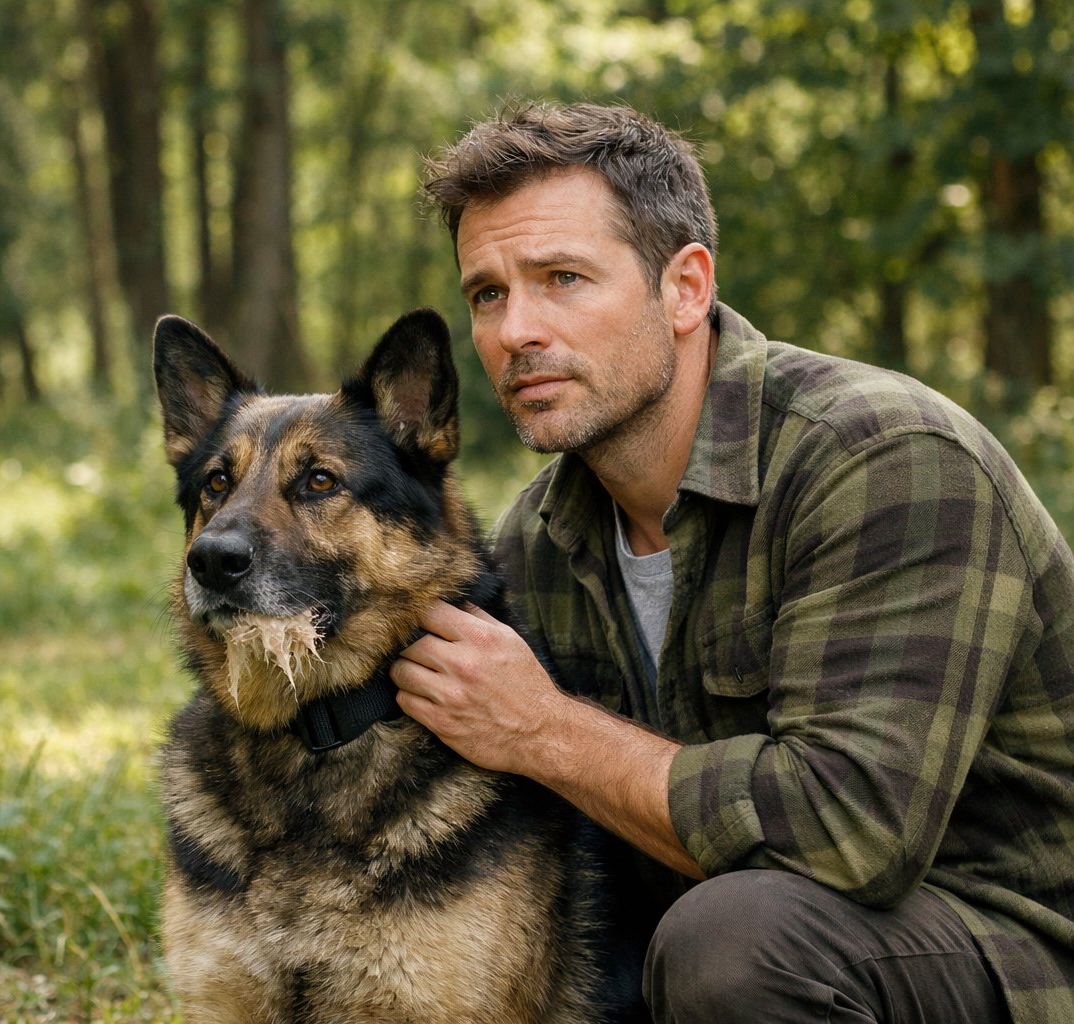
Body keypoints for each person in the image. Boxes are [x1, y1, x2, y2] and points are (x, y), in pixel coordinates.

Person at [390, 100, 1074, 1024]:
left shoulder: (886, 461)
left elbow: (850, 833)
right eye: (488, 294)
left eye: (562, 278)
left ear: (685, 288)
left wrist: (542, 728)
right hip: (712, 945)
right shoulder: (536, 543)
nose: (516, 332)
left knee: (736, 942)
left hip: (1007, 940)